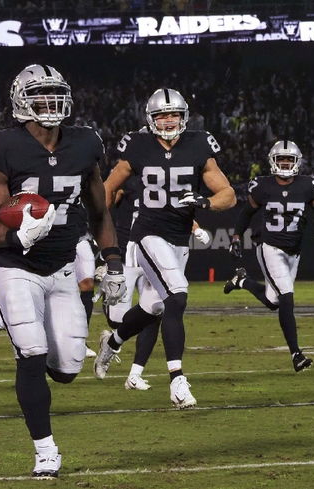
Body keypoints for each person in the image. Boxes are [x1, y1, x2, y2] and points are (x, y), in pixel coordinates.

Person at [0, 64, 126, 479]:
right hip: (16, 265)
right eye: (40, 95)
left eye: (54, 94)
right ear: (22, 102)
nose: (50, 103)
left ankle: (17, 328)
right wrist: (15, 240)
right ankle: (46, 451)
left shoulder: (86, 143)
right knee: (32, 353)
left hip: (61, 265)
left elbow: (100, 211)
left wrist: (112, 259)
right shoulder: (4, 147)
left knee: (66, 370)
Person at [95, 88, 235, 409]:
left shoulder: (199, 144)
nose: (169, 120)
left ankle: (112, 342)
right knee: (178, 295)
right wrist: (97, 225)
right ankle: (177, 380)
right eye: (162, 115)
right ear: (151, 118)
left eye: (174, 114)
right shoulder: (138, 145)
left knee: (154, 308)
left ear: (184, 116)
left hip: (179, 238)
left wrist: (205, 201)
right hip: (147, 234)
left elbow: (228, 193)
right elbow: (109, 187)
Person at [222, 140, 314, 372]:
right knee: (287, 297)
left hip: (294, 251)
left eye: (288, 159)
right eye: (280, 159)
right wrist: (236, 237)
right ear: (272, 161)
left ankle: (242, 280)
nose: (284, 163)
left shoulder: (307, 185)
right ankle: (296, 354)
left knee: (274, 301)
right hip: (269, 246)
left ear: (296, 162)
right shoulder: (262, 186)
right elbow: (247, 212)